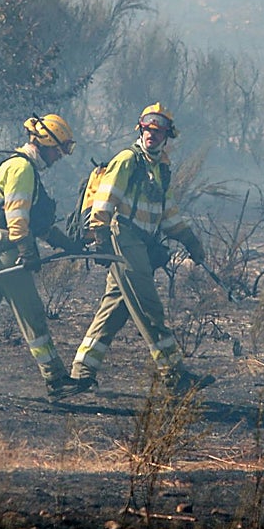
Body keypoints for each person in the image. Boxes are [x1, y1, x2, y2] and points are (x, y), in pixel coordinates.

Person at [70, 103, 216, 395]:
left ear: (167, 135)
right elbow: (106, 198)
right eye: (148, 128)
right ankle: (173, 374)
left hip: (140, 242)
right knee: (148, 306)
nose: (152, 134)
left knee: (115, 307)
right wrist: (99, 234)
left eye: (158, 130)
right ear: (141, 129)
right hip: (122, 236)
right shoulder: (127, 160)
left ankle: (82, 371)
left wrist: (189, 239)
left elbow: (168, 212)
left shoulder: (161, 168)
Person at [0, 113, 86, 399]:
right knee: (31, 313)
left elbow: (39, 222)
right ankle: (55, 378)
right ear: (46, 144)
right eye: (59, 150)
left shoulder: (18, 166)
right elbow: (17, 217)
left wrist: (67, 244)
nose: (60, 157)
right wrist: (25, 250)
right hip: (6, 250)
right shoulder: (22, 169)